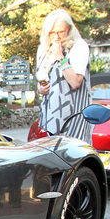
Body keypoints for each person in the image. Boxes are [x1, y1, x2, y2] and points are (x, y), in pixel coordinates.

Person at [36, 9, 92, 144]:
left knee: (72, 159)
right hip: (50, 118)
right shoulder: (44, 50)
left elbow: (75, 82)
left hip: (72, 118)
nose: (56, 37)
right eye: (52, 33)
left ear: (69, 29)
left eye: (60, 32)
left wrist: (60, 57)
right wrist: (41, 89)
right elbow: (42, 79)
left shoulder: (79, 46)